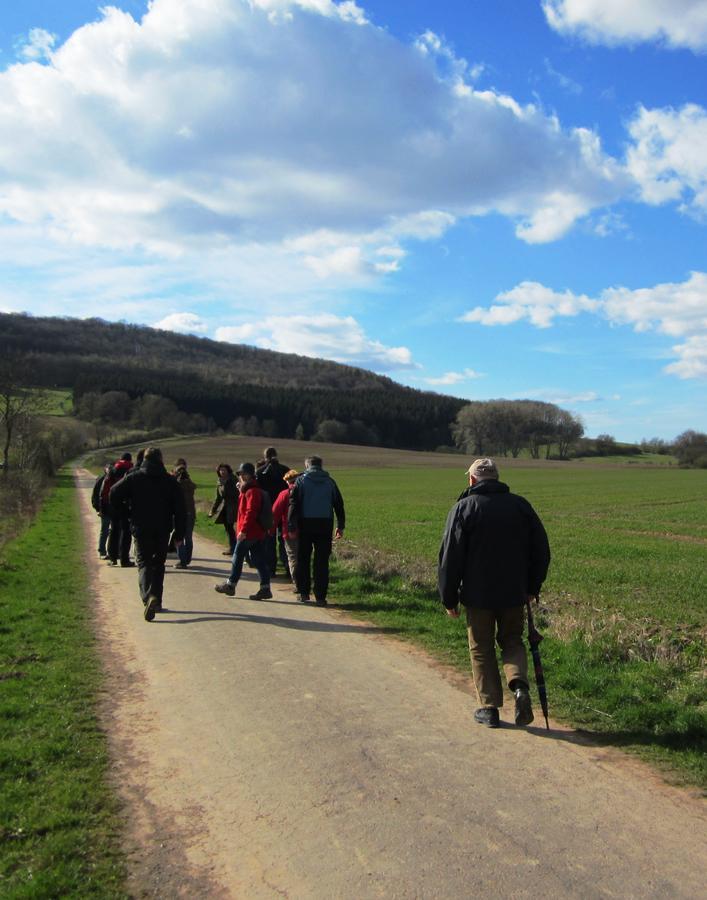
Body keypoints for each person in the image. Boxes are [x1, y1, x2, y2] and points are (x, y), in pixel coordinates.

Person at [437, 458, 551, 729]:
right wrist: (532, 587)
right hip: (514, 592)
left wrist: (448, 598)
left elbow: (449, 558)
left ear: (472, 480)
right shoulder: (521, 506)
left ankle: (489, 708)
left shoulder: (463, 508)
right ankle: (519, 685)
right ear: (497, 479)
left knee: (481, 648)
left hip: (478, 596)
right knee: (512, 641)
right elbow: (542, 551)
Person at [109, 446, 186, 622]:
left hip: (140, 526)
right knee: (158, 564)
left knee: (143, 563)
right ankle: (156, 599)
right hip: (162, 528)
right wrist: (179, 533)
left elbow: (113, 493)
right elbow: (181, 510)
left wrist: (125, 512)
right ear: (160, 459)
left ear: (144, 459)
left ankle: (147, 597)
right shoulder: (170, 481)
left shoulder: (134, 478)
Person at [288, 456, 345, 606]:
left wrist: (291, 525)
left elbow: (293, 503)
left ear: (307, 465)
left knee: (303, 560)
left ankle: (304, 593)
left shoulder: (300, 481)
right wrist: (340, 526)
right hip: (325, 525)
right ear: (321, 465)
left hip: (305, 524)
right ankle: (320, 596)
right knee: (322, 562)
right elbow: (339, 504)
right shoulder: (330, 482)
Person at [215, 462, 272, 600]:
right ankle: (265, 588)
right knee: (258, 561)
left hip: (249, 532)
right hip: (256, 532)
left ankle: (231, 585)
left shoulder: (252, 492)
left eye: (241, 475)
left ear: (247, 476)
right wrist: (241, 490)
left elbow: (250, 512)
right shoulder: (249, 490)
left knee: (237, 557)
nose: (240, 477)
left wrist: (243, 531)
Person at [256, 447, 289, 577]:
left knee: (269, 540)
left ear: (265, 457)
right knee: (284, 539)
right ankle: (288, 567)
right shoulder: (285, 470)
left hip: (266, 510)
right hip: (284, 509)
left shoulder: (259, 472)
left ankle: (271, 568)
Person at [272, 469, 300, 590]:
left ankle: (297, 584)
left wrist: (270, 529)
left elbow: (275, 513)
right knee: (303, 557)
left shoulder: (284, 494)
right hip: (305, 529)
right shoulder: (304, 492)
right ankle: (305, 581)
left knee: (293, 557)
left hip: (288, 531)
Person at [106, 452, 134, 567]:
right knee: (126, 532)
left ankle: (112, 557)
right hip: (126, 504)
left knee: (113, 530)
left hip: (113, 503)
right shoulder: (132, 469)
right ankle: (124, 559)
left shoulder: (113, 469)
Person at [208, 463, 239, 555]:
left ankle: (235, 548)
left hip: (233, 506)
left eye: (224, 470)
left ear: (228, 470)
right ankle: (233, 548)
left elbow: (238, 493)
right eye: (221, 470)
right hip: (224, 507)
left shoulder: (233, 479)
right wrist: (212, 510)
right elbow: (218, 498)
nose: (222, 472)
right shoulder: (219, 481)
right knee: (228, 528)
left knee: (231, 527)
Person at [173, 461, 196, 569]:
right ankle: (187, 559)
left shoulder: (176, 485)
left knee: (179, 537)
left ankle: (182, 561)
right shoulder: (190, 485)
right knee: (188, 537)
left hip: (180, 514)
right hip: (191, 512)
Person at [91, 463, 112, 559]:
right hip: (105, 508)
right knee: (106, 530)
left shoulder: (101, 479)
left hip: (105, 508)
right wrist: (98, 508)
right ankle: (103, 551)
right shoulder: (102, 479)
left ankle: (104, 551)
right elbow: (95, 495)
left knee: (106, 530)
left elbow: (95, 495)